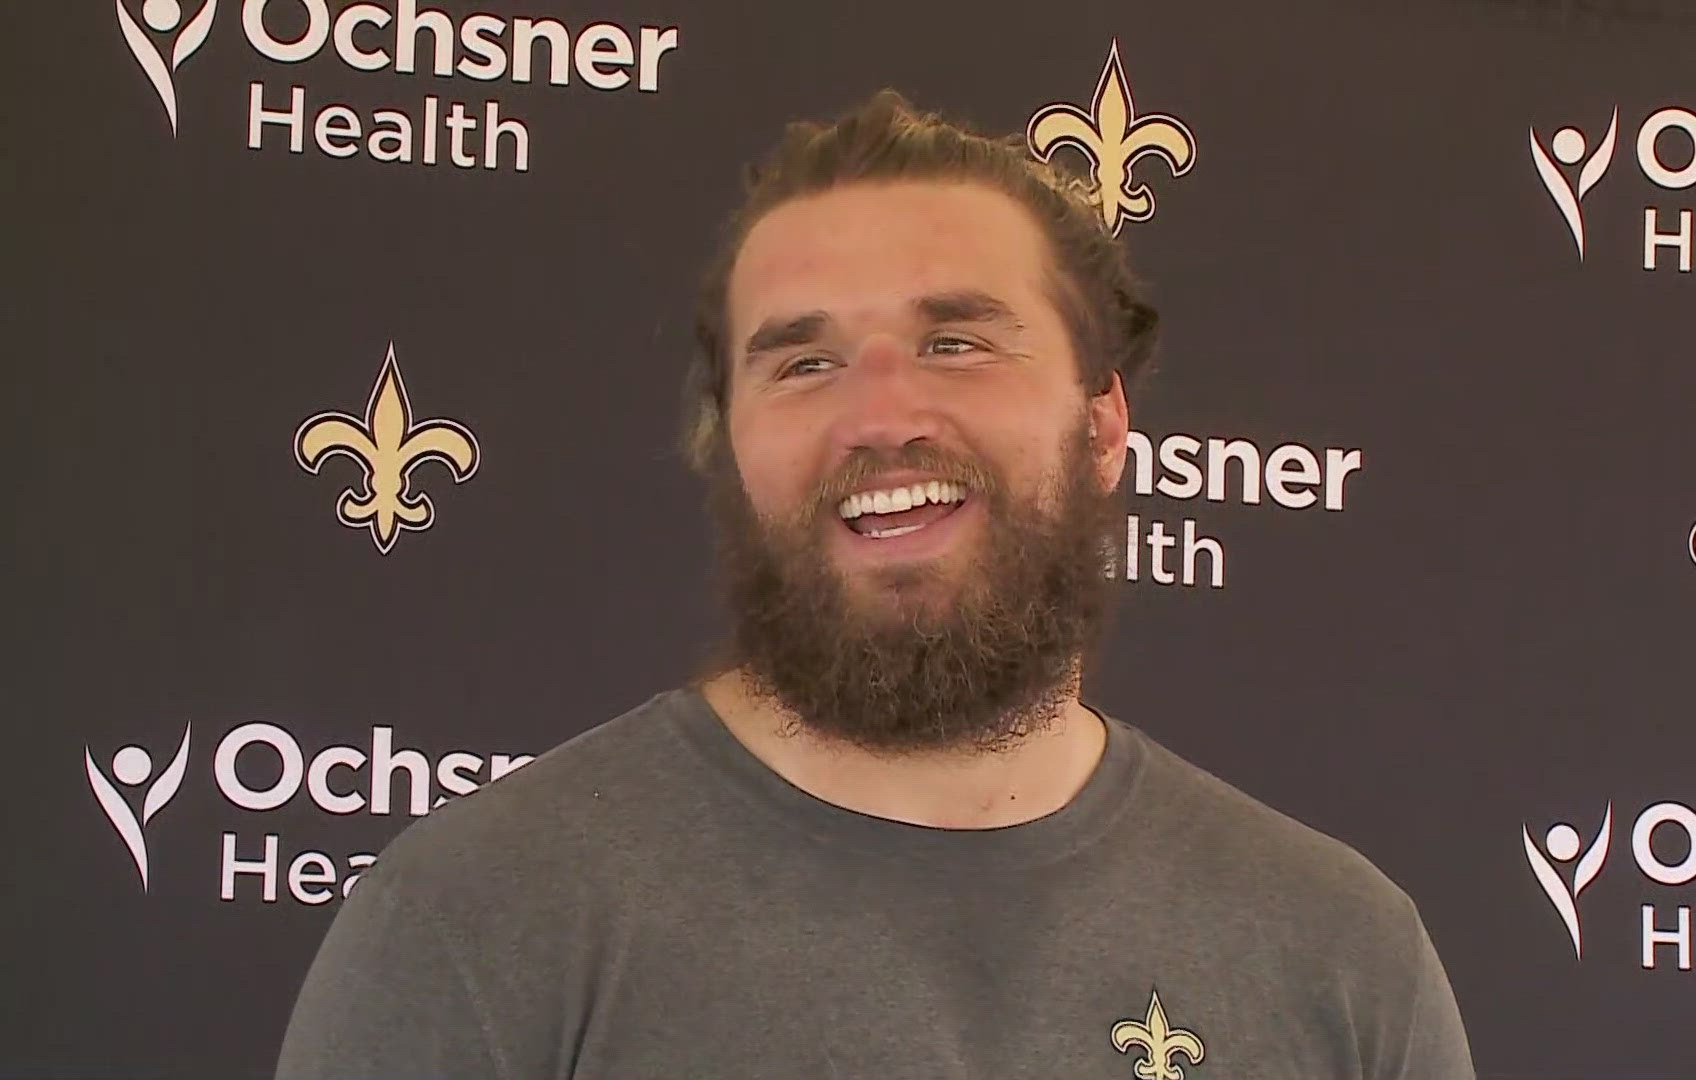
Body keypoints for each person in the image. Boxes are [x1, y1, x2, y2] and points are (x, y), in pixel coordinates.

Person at [274, 88, 1476, 1080]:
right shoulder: (475, 921)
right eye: (804, 362)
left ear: (1104, 425)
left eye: (957, 341)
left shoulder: (1340, 951)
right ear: (733, 448)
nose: (882, 415)